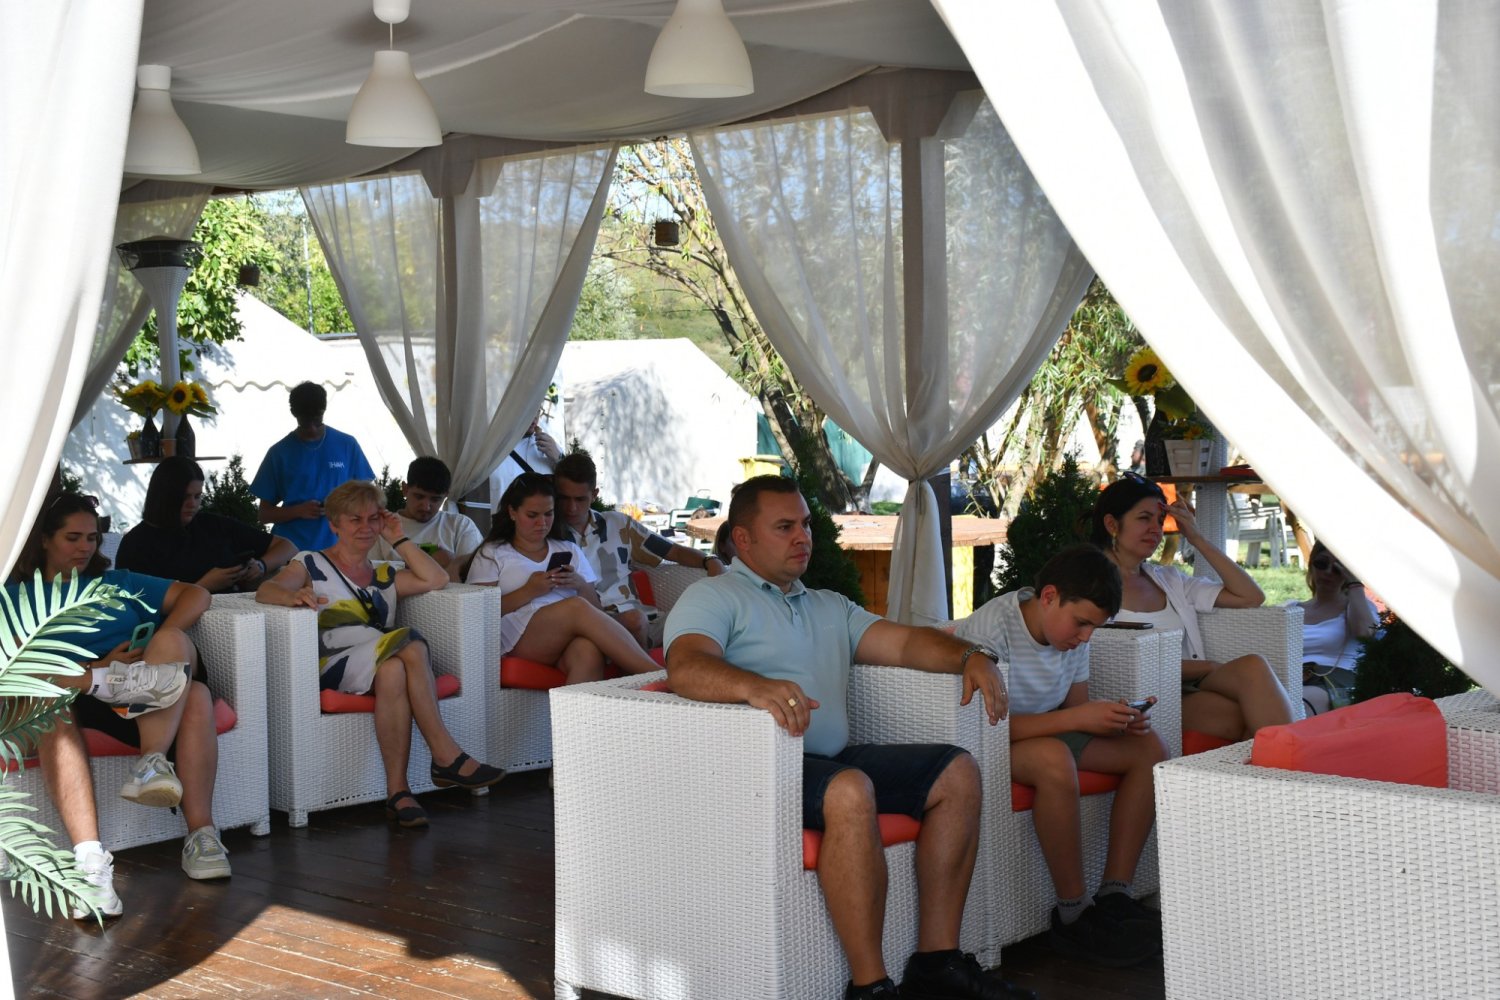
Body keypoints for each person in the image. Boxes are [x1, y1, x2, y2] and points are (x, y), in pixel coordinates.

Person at [664, 475, 1031, 1000]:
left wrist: (969, 656)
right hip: (762, 767)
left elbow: (904, 644)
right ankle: (870, 986)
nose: (803, 537)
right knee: (850, 788)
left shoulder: (828, 604)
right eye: (784, 527)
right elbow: (686, 666)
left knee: (957, 771)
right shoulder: (714, 596)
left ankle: (937, 963)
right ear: (742, 539)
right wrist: (753, 686)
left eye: (805, 524)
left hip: (833, 757)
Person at [7, 493, 229, 916]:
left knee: (179, 657)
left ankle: (197, 829)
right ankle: (91, 863)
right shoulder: (18, 595)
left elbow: (197, 595)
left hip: (143, 694)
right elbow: (18, 663)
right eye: (73, 537)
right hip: (75, 696)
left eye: (92, 538)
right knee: (52, 705)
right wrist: (97, 669)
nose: (85, 547)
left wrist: (158, 641)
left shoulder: (118, 582)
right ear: (44, 540)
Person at [954, 545, 1165, 966]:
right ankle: (1073, 912)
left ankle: (1115, 893)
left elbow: (1074, 709)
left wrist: (1111, 719)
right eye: (1082, 623)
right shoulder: (994, 629)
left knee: (1149, 748)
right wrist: (1081, 718)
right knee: (1054, 758)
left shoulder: (1070, 637)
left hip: (1042, 734)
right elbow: (985, 726)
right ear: (1049, 596)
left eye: (1094, 628)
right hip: (986, 743)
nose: (1086, 637)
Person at [255, 480, 504, 828]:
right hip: (334, 664)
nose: (366, 527)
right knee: (411, 642)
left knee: (393, 671)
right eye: (355, 519)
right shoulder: (311, 563)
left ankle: (398, 793)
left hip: (380, 662)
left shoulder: (385, 573)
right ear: (334, 524)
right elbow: (267, 589)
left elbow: (436, 579)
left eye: (373, 518)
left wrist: (398, 538)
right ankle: (445, 755)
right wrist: (292, 596)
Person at [1090, 474, 1294, 742]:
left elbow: (1251, 597)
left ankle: (1286, 760)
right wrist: (1206, 667)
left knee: (1254, 667)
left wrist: (1196, 538)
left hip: (1188, 682)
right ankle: (1288, 760)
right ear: (1111, 524)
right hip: (1140, 694)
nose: (1155, 529)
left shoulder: (1169, 579)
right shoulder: (1090, 584)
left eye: (1160, 520)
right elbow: (1107, 660)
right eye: (1144, 518)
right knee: (1243, 715)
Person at [466, 473, 661, 683]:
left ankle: (589, 707)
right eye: (532, 515)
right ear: (512, 512)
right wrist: (529, 591)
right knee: (575, 606)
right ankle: (656, 676)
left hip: (566, 635)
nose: (542, 523)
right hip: (516, 636)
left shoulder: (568, 549)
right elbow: (478, 612)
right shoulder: (493, 553)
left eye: (548, 514)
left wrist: (580, 584)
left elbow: (596, 609)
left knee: (587, 652)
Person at [552, 451, 725, 649]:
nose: (571, 508)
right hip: (593, 625)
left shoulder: (618, 524)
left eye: (580, 499)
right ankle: (643, 667)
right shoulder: (550, 535)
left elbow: (673, 551)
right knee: (635, 620)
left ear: (594, 495)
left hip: (644, 619)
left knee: (702, 615)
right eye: (564, 498)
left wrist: (710, 560)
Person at [115, 456, 296, 592]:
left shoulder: (211, 524)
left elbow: (287, 546)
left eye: (197, 496)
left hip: (240, 616)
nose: (192, 504)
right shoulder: (137, 544)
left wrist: (261, 566)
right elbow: (137, 605)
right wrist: (203, 586)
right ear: (165, 496)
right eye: (185, 497)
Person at [250, 381, 374, 551]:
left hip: (339, 550)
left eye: (317, 420)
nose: (313, 428)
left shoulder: (347, 444)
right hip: (291, 551)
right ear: (294, 413)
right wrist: (298, 511)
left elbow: (367, 497)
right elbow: (264, 515)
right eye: (305, 422)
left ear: (324, 411)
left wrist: (341, 506)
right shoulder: (279, 452)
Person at [1292, 540, 1379, 715]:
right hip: (1294, 679)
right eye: (1321, 563)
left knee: (1294, 705)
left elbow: (1365, 633)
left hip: (1337, 680)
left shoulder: (1356, 607)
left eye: (1338, 568)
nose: (1328, 572)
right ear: (1311, 564)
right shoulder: (1290, 609)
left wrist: (1355, 584)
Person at [371, 456, 484, 582]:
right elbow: (367, 575)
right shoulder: (382, 528)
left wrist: (454, 562)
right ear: (405, 489)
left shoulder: (460, 525)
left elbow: (479, 569)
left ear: (446, 496)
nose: (426, 506)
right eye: (419, 497)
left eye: (435, 499)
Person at [488, 409, 562, 514]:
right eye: (531, 408)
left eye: (538, 410)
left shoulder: (550, 446)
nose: (535, 416)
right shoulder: (492, 446)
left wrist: (559, 458)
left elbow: (569, 487)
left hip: (542, 522)